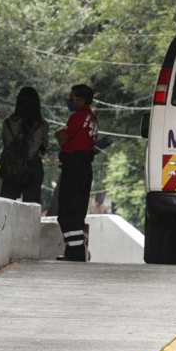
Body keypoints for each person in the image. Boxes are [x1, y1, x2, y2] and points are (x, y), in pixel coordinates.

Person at [54, 84, 98, 262]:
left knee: (67, 210)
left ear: (81, 100)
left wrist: (59, 134)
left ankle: (76, 251)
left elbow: (62, 138)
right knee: (77, 211)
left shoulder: (78, 117)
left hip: (74, 166)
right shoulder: (92, 118)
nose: (70, 101)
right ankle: (74, 250)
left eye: (73, 98)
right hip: (84, 166)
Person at [0, 87, 48, 204]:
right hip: (33, 166)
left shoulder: (8, 123)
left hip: (12, 167)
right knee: (31, 204)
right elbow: (43, 147)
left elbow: (7, 145)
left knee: (7, 203)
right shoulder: (42, 125)